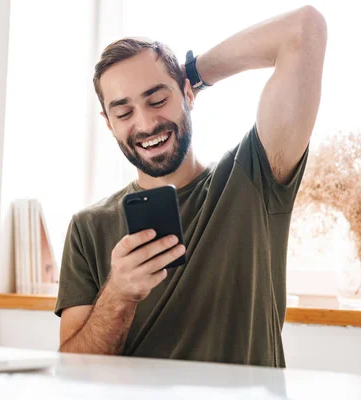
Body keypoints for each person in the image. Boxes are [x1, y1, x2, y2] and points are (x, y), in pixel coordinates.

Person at [55, 6, 327, 367]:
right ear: (108, 124)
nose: (147, 123)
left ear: (188, 94)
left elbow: (304, 28)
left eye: (158, 99)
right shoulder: (87, 227)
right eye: (124, 112)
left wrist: (195, 72)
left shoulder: (252, 180)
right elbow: (73, 371)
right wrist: (119, 295)